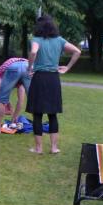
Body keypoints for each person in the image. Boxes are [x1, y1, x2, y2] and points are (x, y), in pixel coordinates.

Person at [25, 15, 81, 154]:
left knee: (37, 114)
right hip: (53, 79)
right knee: (52, 114)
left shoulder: (36, 40)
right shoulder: (60, 40)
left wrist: (29, 67)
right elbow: (77, 51)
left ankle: (38, 148)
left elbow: (33, 51)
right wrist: (67, 67)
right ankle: (54, 148)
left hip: (39, 78)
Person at [0, 57, 30, 134]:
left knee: (2, 100)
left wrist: (6, 103)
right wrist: (14, 115)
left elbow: (1, 95)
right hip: (27, 66)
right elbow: (21, 100)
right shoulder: (2, 74)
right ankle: (38, 128)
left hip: (13, 68)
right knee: (32, 100)